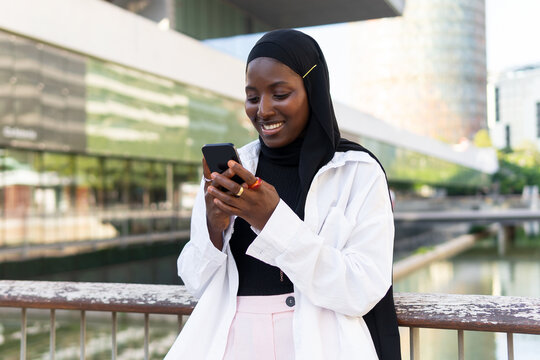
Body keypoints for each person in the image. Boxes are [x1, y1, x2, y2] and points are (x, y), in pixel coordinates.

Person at [165, 29, 400, 360]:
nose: (263, 110)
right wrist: (213, 228)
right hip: (231, 343)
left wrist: (272, 220)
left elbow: (362, 289)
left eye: (280, 94)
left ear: (312, 91)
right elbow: (195, 281)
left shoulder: (358, 172)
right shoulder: (237, 167)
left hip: (320, 346)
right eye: (252, 97)